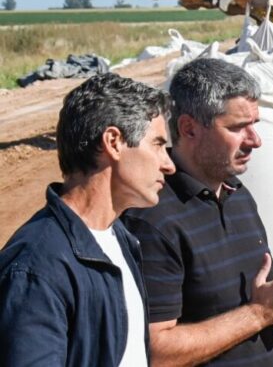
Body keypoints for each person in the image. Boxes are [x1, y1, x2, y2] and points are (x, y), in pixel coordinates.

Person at [122, 58, 273, 366]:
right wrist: (260, 313)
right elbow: (156, 352)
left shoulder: (238, 194)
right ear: (189, 128)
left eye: (254, 124)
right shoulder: (153, 218)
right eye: (237, 127)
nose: (255, 141)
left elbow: (239, 308)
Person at [0, 73, 176, 366]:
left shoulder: (120, 239)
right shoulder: (36, 267)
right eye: (157, 144)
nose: (168, 164)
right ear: (113, 142)